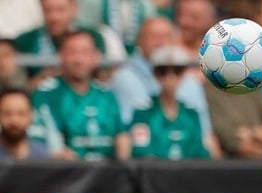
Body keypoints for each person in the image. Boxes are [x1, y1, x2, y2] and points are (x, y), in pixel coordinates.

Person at [31, 28, 130, 159]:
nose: (79, 60)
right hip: (67, 173)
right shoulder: (46, 94)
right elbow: (41, 143)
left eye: (85, 52)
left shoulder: (106, 94)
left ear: (96, 57)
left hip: (108, 173)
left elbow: (121, 135)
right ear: (61, 56)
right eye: (72, 52)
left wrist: (123, 166)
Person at [129, 45, 213, 159]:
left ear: (183, 74)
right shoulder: (143, 113)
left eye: (177, 71)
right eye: (162, 71)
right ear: (155, 74)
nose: (170, 77)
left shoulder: (192, 113)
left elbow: (200, 153)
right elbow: (141, 152)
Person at [0, 88, 51, 159]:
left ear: (31, 115)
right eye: (7, 114)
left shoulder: (43, 155)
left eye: (21, 114)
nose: (14, 120)